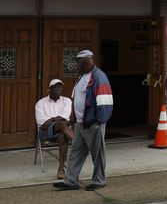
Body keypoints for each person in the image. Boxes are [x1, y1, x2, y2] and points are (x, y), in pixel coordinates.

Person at [53, 50, 113, 191]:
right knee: (75, 152)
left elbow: (105, 102)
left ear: (86, 62)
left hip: (93, 124)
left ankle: (99, 180)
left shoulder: (99, 77)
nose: (76, 66)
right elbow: (76, 98)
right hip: (80, 124)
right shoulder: (82, 76)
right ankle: (71, 181)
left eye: (78, 64)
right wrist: (73, 117)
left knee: (97, 153)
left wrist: (98, 122)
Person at [35, 79, 74, 179]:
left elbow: (65, 116)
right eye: (56, 87)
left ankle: (61, 169)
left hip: (61, 130)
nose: (59, 89)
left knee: (62, 135)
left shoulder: (66, 101)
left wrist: (51, 119)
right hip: (45, 132)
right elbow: (42, 123)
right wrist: (58, 120)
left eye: (60, 87)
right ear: (50, 89)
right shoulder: (41, 103)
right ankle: (78, 143)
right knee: (61, 124)